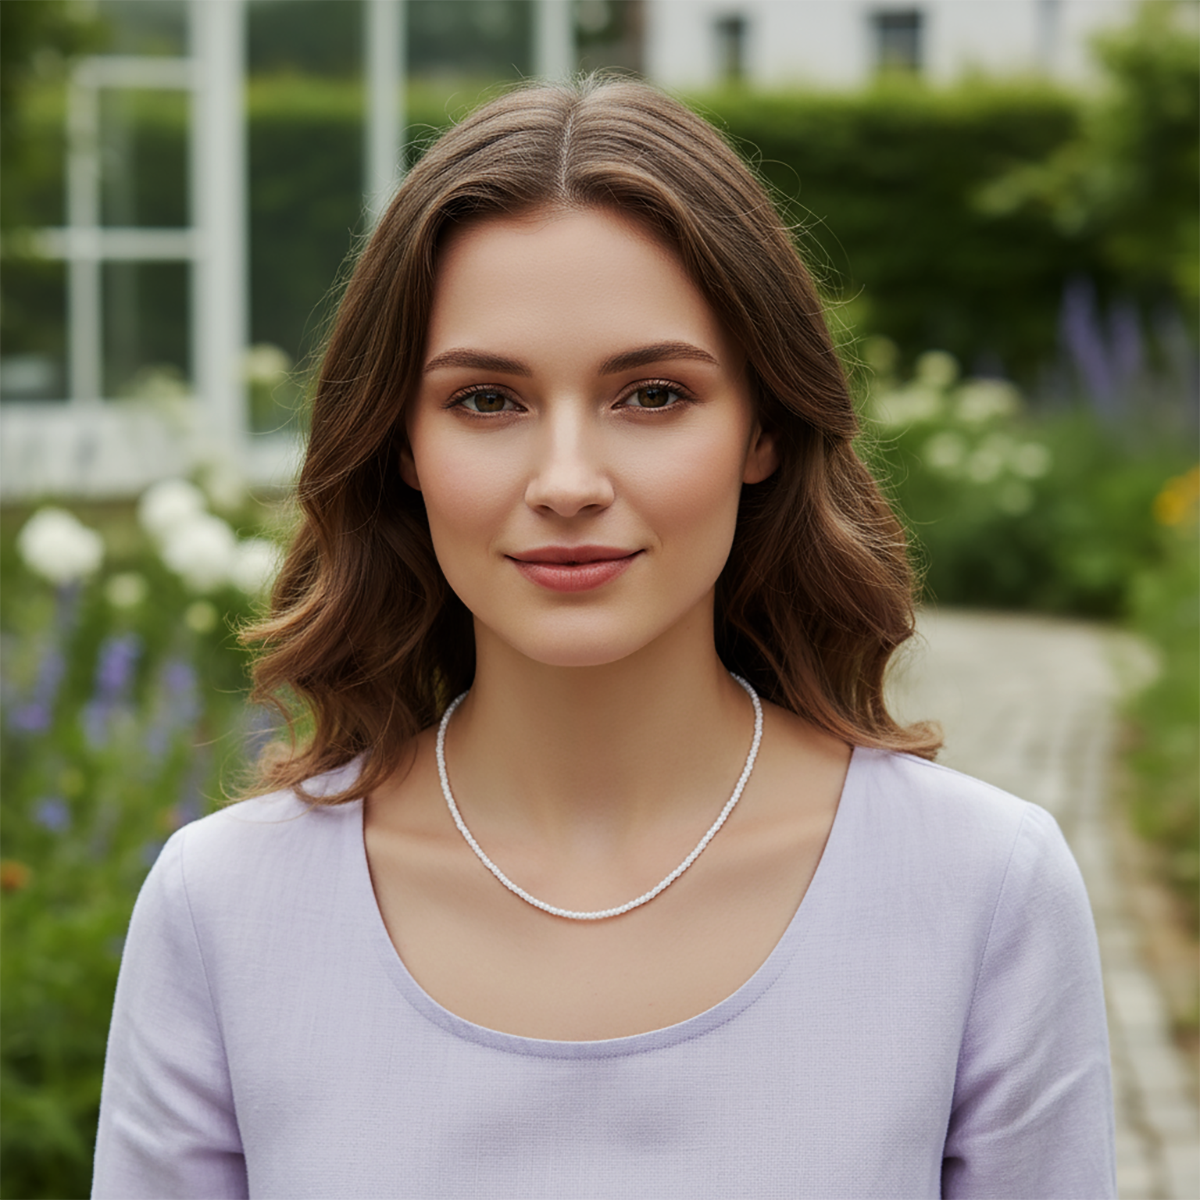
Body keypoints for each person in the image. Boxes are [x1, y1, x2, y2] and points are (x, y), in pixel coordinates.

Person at [92, 77, 1116, 1198]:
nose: (568, 482)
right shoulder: (227, 911)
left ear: (763, 427)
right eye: (488, 400)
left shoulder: (981, 892)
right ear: (397, 442)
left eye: (653, 395)